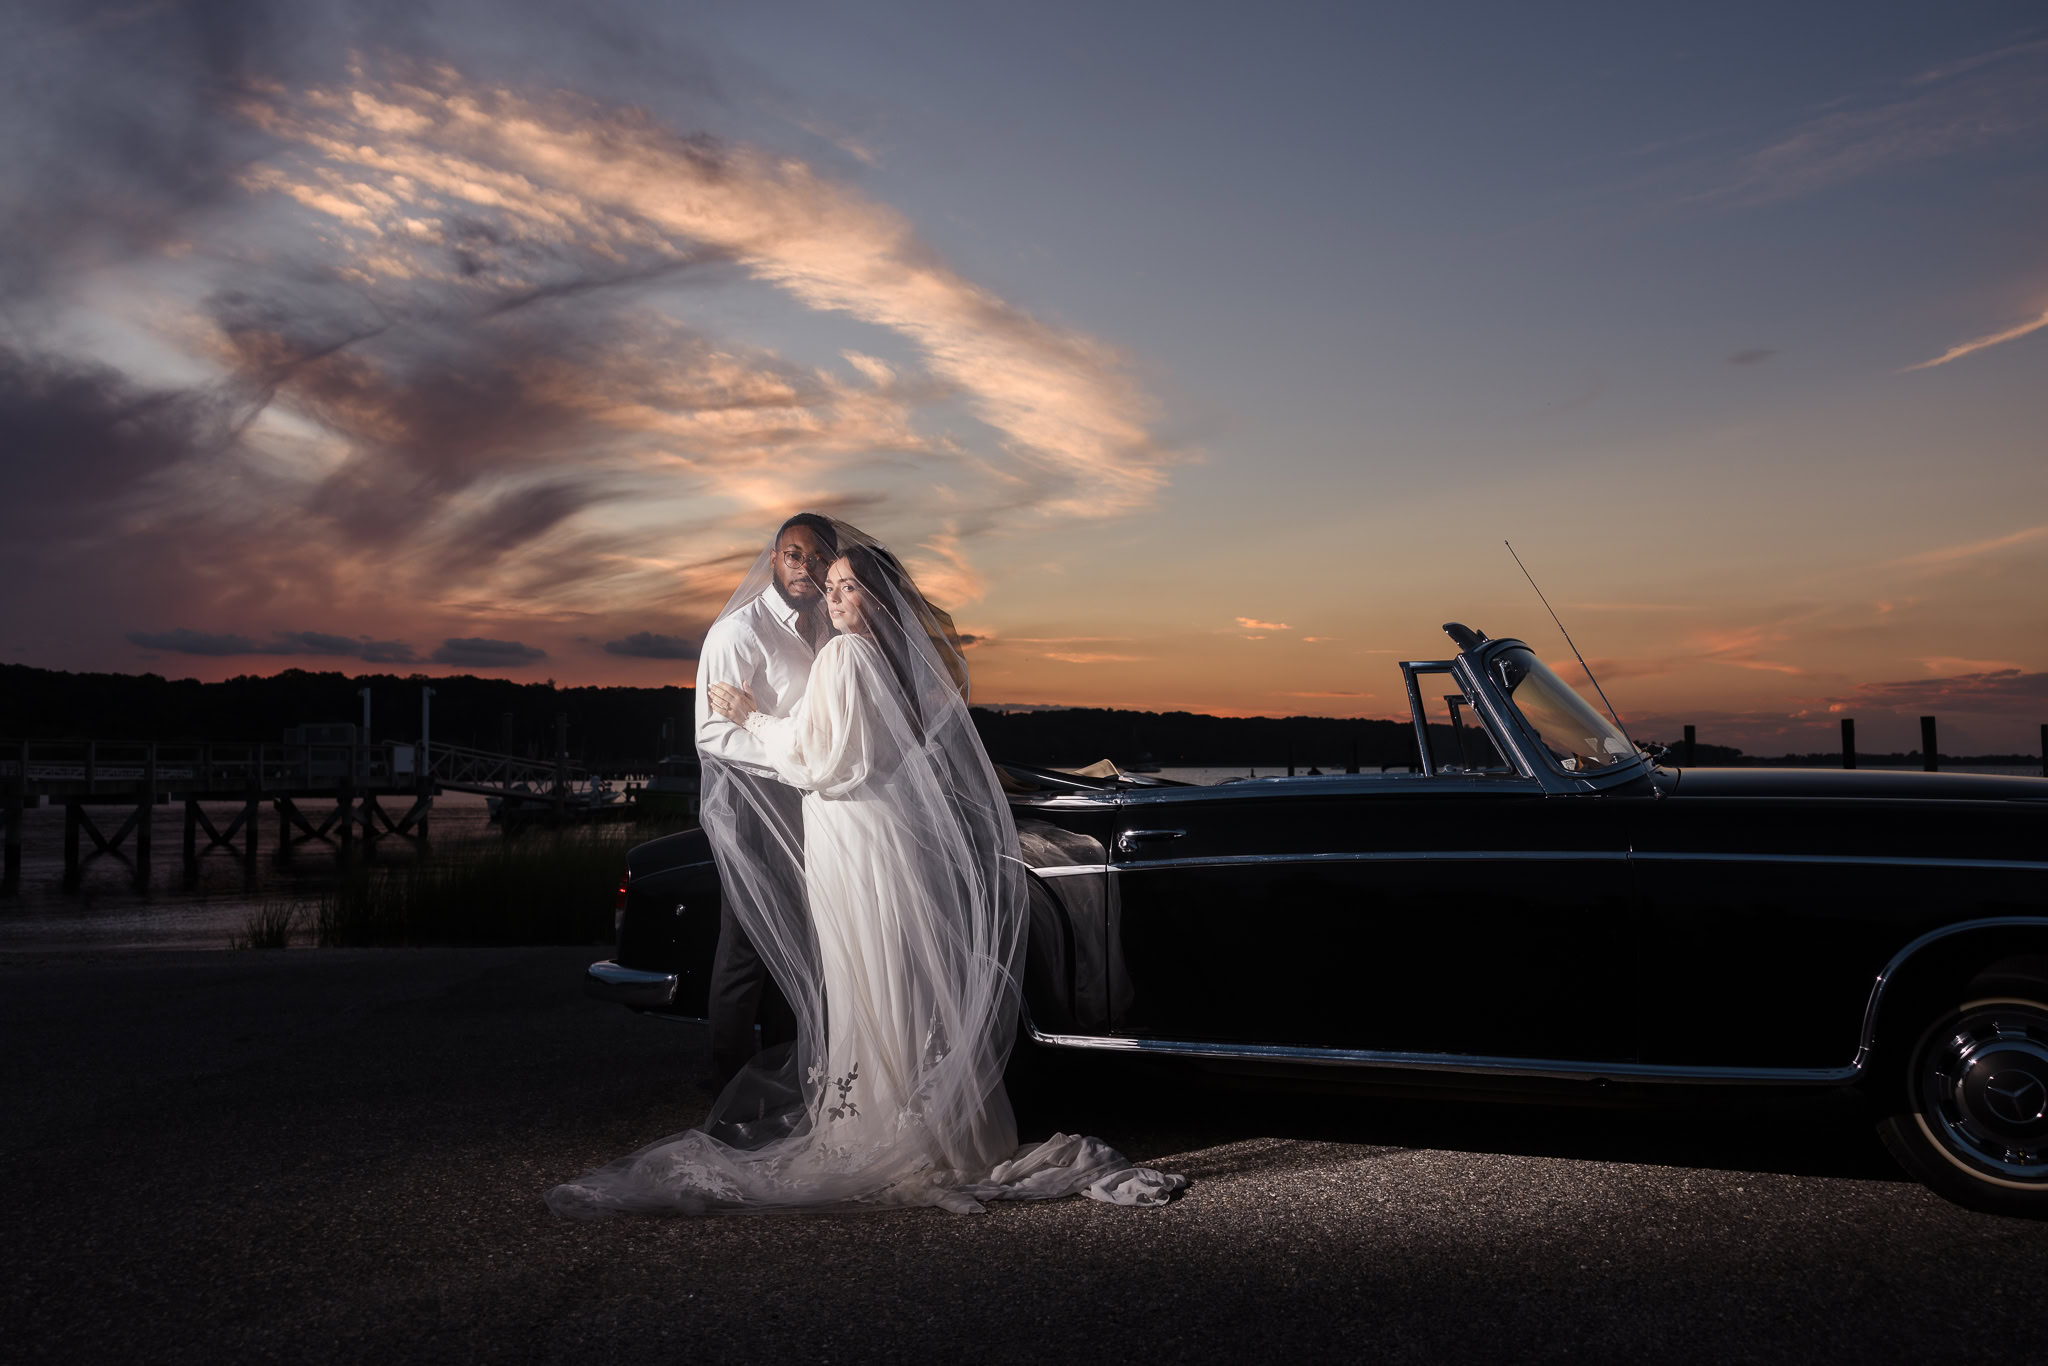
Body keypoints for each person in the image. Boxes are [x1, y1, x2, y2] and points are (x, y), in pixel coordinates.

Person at [546, 517, 1184, 1216]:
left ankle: (874, 1124)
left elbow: (825, 758)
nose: (831, 589)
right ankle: (912, 1113)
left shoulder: (845, 653)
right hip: (860, 824)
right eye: (827, 578)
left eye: (845, 582)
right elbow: (811, 742)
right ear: (775, 560)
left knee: (866, 963)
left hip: (847, 825)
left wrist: (756, 717)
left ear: (874, 598)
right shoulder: (865, 656)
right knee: (883, 961)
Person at [690, 513, 835, 1086]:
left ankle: (784, 1074)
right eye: (794, 555)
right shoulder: (738, 632)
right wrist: (794, 758)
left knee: (800, 940)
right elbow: (711, 733)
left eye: (818, 557)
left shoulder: (828, 625)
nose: (805, 567)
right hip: (755, 802)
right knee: (747, 942)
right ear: (774, 560)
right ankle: (728, 1086)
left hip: (815, 804)